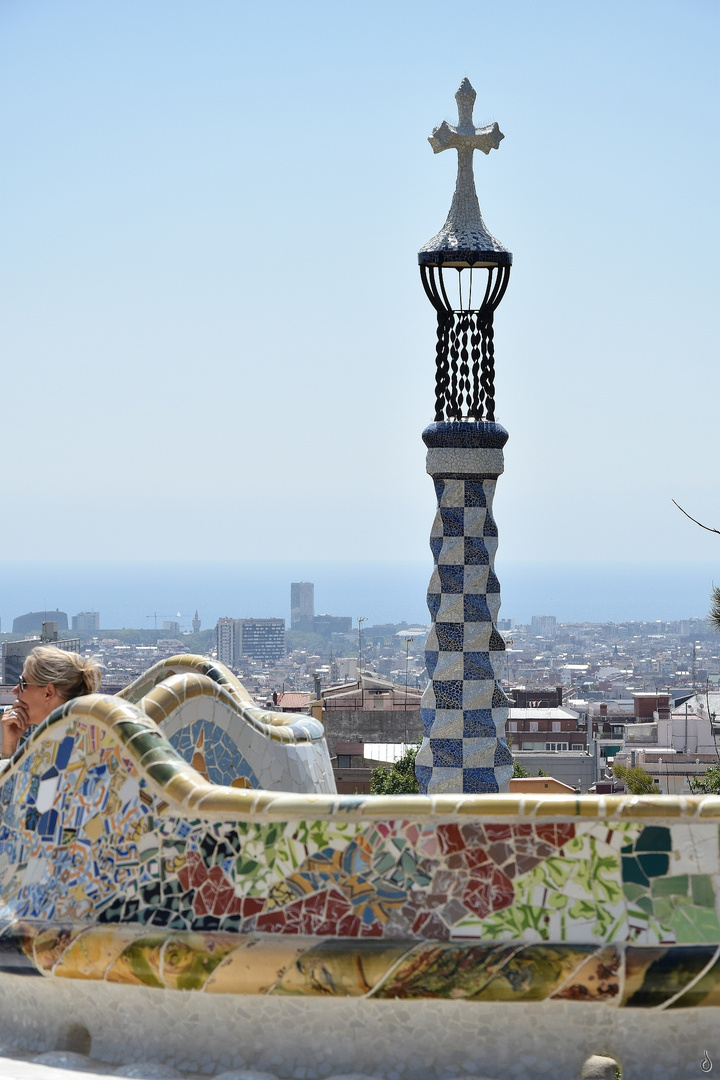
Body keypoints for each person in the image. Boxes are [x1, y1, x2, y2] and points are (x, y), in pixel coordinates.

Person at [1, 645, 102, 759]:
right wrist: (9, 745)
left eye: (23, 683)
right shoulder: (90, 739)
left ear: (48, 693)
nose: (15, 690)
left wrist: (8, 751)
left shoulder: (51, 755)